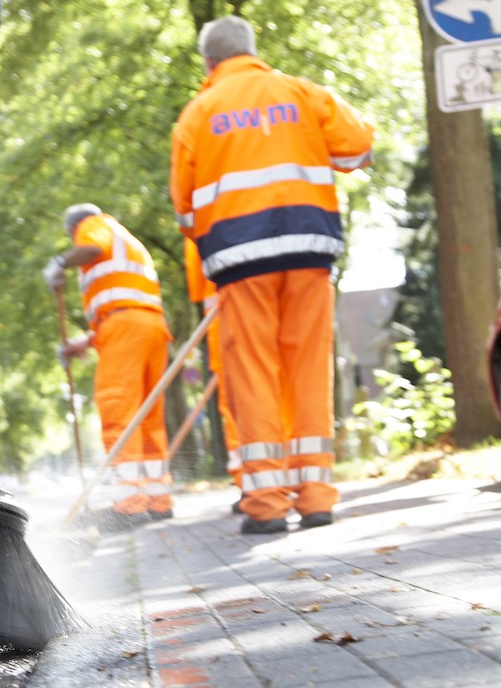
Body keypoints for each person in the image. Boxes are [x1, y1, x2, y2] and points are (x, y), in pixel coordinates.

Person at [169, 16, 374, 534]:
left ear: (210, 64)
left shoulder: (197, 115)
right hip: (309, 250)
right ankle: (317, 498)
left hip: (240, 264)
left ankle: (265, 504)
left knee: (254, 375)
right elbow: (358, 148)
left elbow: (186, 213)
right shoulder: (302, 93)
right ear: (253, 51)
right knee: (307, 371)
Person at [44, 204, 173, 531]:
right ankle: (158, 502)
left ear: (73, 228)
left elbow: (91, 249)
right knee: (148, 417)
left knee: (119, 410)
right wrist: (82, 344)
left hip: (125, 328)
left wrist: (60, 262)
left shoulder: (93, 225)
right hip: (150, 326)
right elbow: (122, 302)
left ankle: (129, 506)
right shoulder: (128, 242)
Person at [183, 238, 242, 505]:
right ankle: (261, 481)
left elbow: (200, 285)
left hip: (229, 312)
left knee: (238, 400)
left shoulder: (201, 215)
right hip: (236, 305)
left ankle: (254, 482)